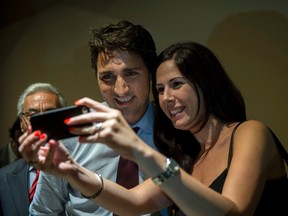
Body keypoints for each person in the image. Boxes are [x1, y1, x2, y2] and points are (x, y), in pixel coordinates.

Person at [19, 41, 288, 216]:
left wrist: (137, 150)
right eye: (160, 89)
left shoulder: (250, 133)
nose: (166, 97)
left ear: (206, 83)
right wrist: (72, 171)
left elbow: (232, 213)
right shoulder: (186, 155)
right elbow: (132, 202)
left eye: (177, 84)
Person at [21, 20, 166, 216]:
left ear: (150, 73)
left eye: (131, 73)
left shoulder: (175, 129)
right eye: (107, 77)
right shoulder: (71, 132)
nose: (120, 89)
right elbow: (43, 212)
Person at [0, 82, 66, 216]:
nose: (41, 121)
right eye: (32, 114)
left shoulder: (82, 170)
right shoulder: (3, 177)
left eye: (50, 113)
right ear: (21, 124)